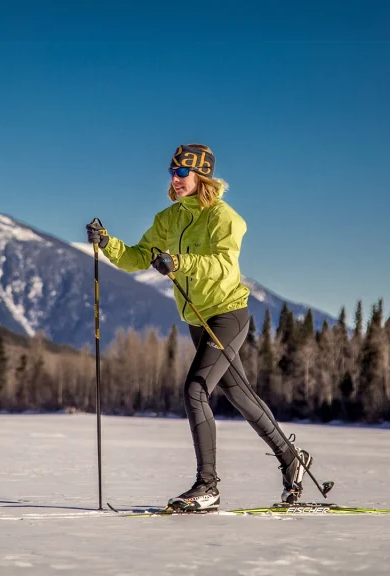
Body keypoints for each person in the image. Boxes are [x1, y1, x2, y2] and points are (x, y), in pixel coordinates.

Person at [85, 143, 314, 511]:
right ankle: (291, 459)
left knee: (195, 389)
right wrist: (108, 243)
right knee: (240, 396)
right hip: (196, 319)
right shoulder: (168, 219)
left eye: (182, 173)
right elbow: (137, 257)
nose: (174, 180)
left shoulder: (226, 218)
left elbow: (224, 266)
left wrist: (179, 262)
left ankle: (207, 486)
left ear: (201, 176)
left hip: (227, 314)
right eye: (172, 172)